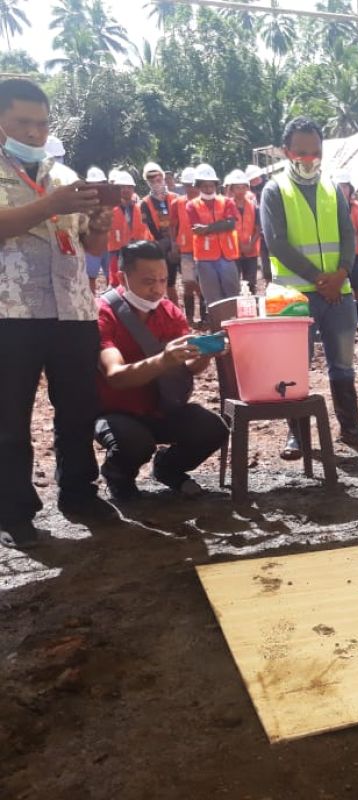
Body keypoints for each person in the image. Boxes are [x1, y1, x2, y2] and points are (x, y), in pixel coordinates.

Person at [0, 77, 117, 548]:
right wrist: (51, 204)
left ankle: (79, 494)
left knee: (77, 408)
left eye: (42, 124)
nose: (34, 132)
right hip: (12, 312)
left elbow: (89, 244)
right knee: (10, 415)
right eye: (23, 123)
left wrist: (102, 229)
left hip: (73, 309)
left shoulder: (65, 176)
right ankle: (13, 508)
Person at [260, 116, 358, 454]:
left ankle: (351, 428)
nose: (309, 159)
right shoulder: (274, 190)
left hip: (337, 294)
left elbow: (347, 234)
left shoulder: (331, 188)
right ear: (286, 152)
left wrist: (342, 273)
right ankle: (297, 435)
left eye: (315, 152)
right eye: (301, 153)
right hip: (292, 295)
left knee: (343, 364)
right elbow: (277, 243)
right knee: (293, 369)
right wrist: (318, 279)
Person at [94, 240, 227, 501]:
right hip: (117, 413)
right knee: (133, 442)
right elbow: (115, 376)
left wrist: (206, 354)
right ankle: (117, 476)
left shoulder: (169, 312)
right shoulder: (103, 313)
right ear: (123, 277)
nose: (157, 290)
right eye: (148, 282)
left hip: (163, 409)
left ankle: (168, 468)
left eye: (163, 280)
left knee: (213, 429)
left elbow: (189, 368)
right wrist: (162, 360)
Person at [186, 163, 240, 303]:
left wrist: (207, 228)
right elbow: (196, 228)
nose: (209, 189)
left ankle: (233, 322)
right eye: (204, 186)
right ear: (198, 186)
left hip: (227, 256)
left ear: (216, 185)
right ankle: (217, 324)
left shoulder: (227, 202)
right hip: (205, 258)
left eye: (211, 185)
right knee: (212, 297)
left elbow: (231, 224)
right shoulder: (192, 205)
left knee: (232, 293)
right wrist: (220, 225)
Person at [139, 161, 180, 307]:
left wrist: (175, 243)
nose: (156, 183)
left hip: (180, 242)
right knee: (169, 282)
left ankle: (200, 313)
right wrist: (165, 245)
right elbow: (148, 226)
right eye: (152, 180)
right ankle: (174, 312)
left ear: (163, 178)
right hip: (161, 244)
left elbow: (181, 220)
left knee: (192, 280)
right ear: (147, 182)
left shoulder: (175, 198)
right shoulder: (144, 203)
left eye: (158, 179)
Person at [334, 170, 358, 328]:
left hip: (356, 254)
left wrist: (352, 245)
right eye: (340, 186)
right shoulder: (330, 208)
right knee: (338, 286)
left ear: (350, 188)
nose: (343, 190)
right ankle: (341, 317)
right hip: (335, 255)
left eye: (345, 186)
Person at [172, 167, 205, 326]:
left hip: (204, 250)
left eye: (192, 185)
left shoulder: (205, 201)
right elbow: (173, 225)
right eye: (187, 185)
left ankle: (205, 317)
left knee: (204, 284)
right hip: (185, 250)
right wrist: (174, 244)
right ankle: (190, 319)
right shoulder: (177, 203)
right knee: (188, 283)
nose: (190, 188)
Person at [106, 168, 147, 288]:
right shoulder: (109, 209)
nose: (126, 190)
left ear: (133, 189)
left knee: (135, 283)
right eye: (122, 187)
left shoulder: (139, 208)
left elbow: (144, 231)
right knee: (116, 283)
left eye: (129, 187)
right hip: (116, 251)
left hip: (136, 251)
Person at [225, 169, 261, 293]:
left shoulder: (253, 205)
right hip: (233, 251)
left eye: (243, 187)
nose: (240, 191)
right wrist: (240, 246)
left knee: (251, 283)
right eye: (237, 188)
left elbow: (258, 228)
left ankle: (251, 308)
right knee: (234, 283)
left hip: (251, 251)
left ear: (247, 188)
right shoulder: (227, 206)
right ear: (232, 189)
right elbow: (228, 229)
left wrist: (250, 245)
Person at [83, 166, 109, 294]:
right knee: (90, 277)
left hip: (111, 247)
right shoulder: (83, 203)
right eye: (93, 184)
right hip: (91, 248)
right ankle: (92, 305)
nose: (96, 187)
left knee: (113, 277)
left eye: (99, 184)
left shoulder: (112, 201)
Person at [246, 164, 271, 289]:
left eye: (256, 179)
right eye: (252, 180)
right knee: (266, 265)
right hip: (260, 236)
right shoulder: (250, 195)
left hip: (274, 234)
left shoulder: (271, 190)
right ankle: (268, 285)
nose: (255, 182)